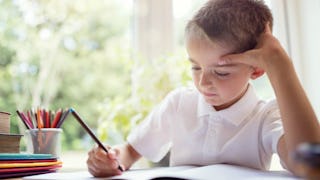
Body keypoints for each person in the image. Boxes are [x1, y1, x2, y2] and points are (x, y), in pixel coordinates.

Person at [87, 0, 320, 177]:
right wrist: (111, 160)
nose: (203, 82)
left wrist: (280, 64)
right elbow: (129, 151)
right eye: (196, 67)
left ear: (257, 70)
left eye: (221, 72)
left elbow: (311, 166)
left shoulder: (266, 117)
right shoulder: (179, 104)